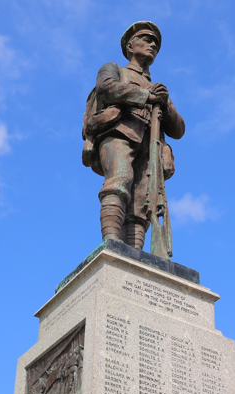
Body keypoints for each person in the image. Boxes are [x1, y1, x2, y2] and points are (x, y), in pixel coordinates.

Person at [82, 21, 185, 250]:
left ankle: (135, 254)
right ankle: (111, 242)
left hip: (150, 146)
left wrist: (164, 103)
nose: (152, 46)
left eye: (155, 44)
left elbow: (179, 129)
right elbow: (106, 88)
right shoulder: (115, 69)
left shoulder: (157, 88)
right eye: (147, 40)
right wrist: (145, 96)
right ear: (131, 46)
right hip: (119, 133)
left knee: (141, 202)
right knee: (118, 183)